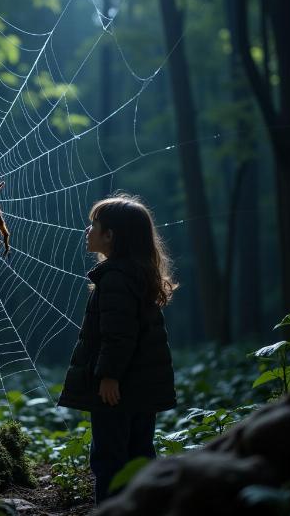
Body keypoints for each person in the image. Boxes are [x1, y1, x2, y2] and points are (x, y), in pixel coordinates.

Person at [57, 193, 178, 506]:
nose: (87, 231)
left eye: (94, 226)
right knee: (140, 454)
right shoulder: (139, 274)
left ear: (110, 236)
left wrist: (108, 376)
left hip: (117, 390)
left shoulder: (114, 278)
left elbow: (118, 335)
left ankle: (111, 509)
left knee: (109, 458)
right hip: (143, 387)